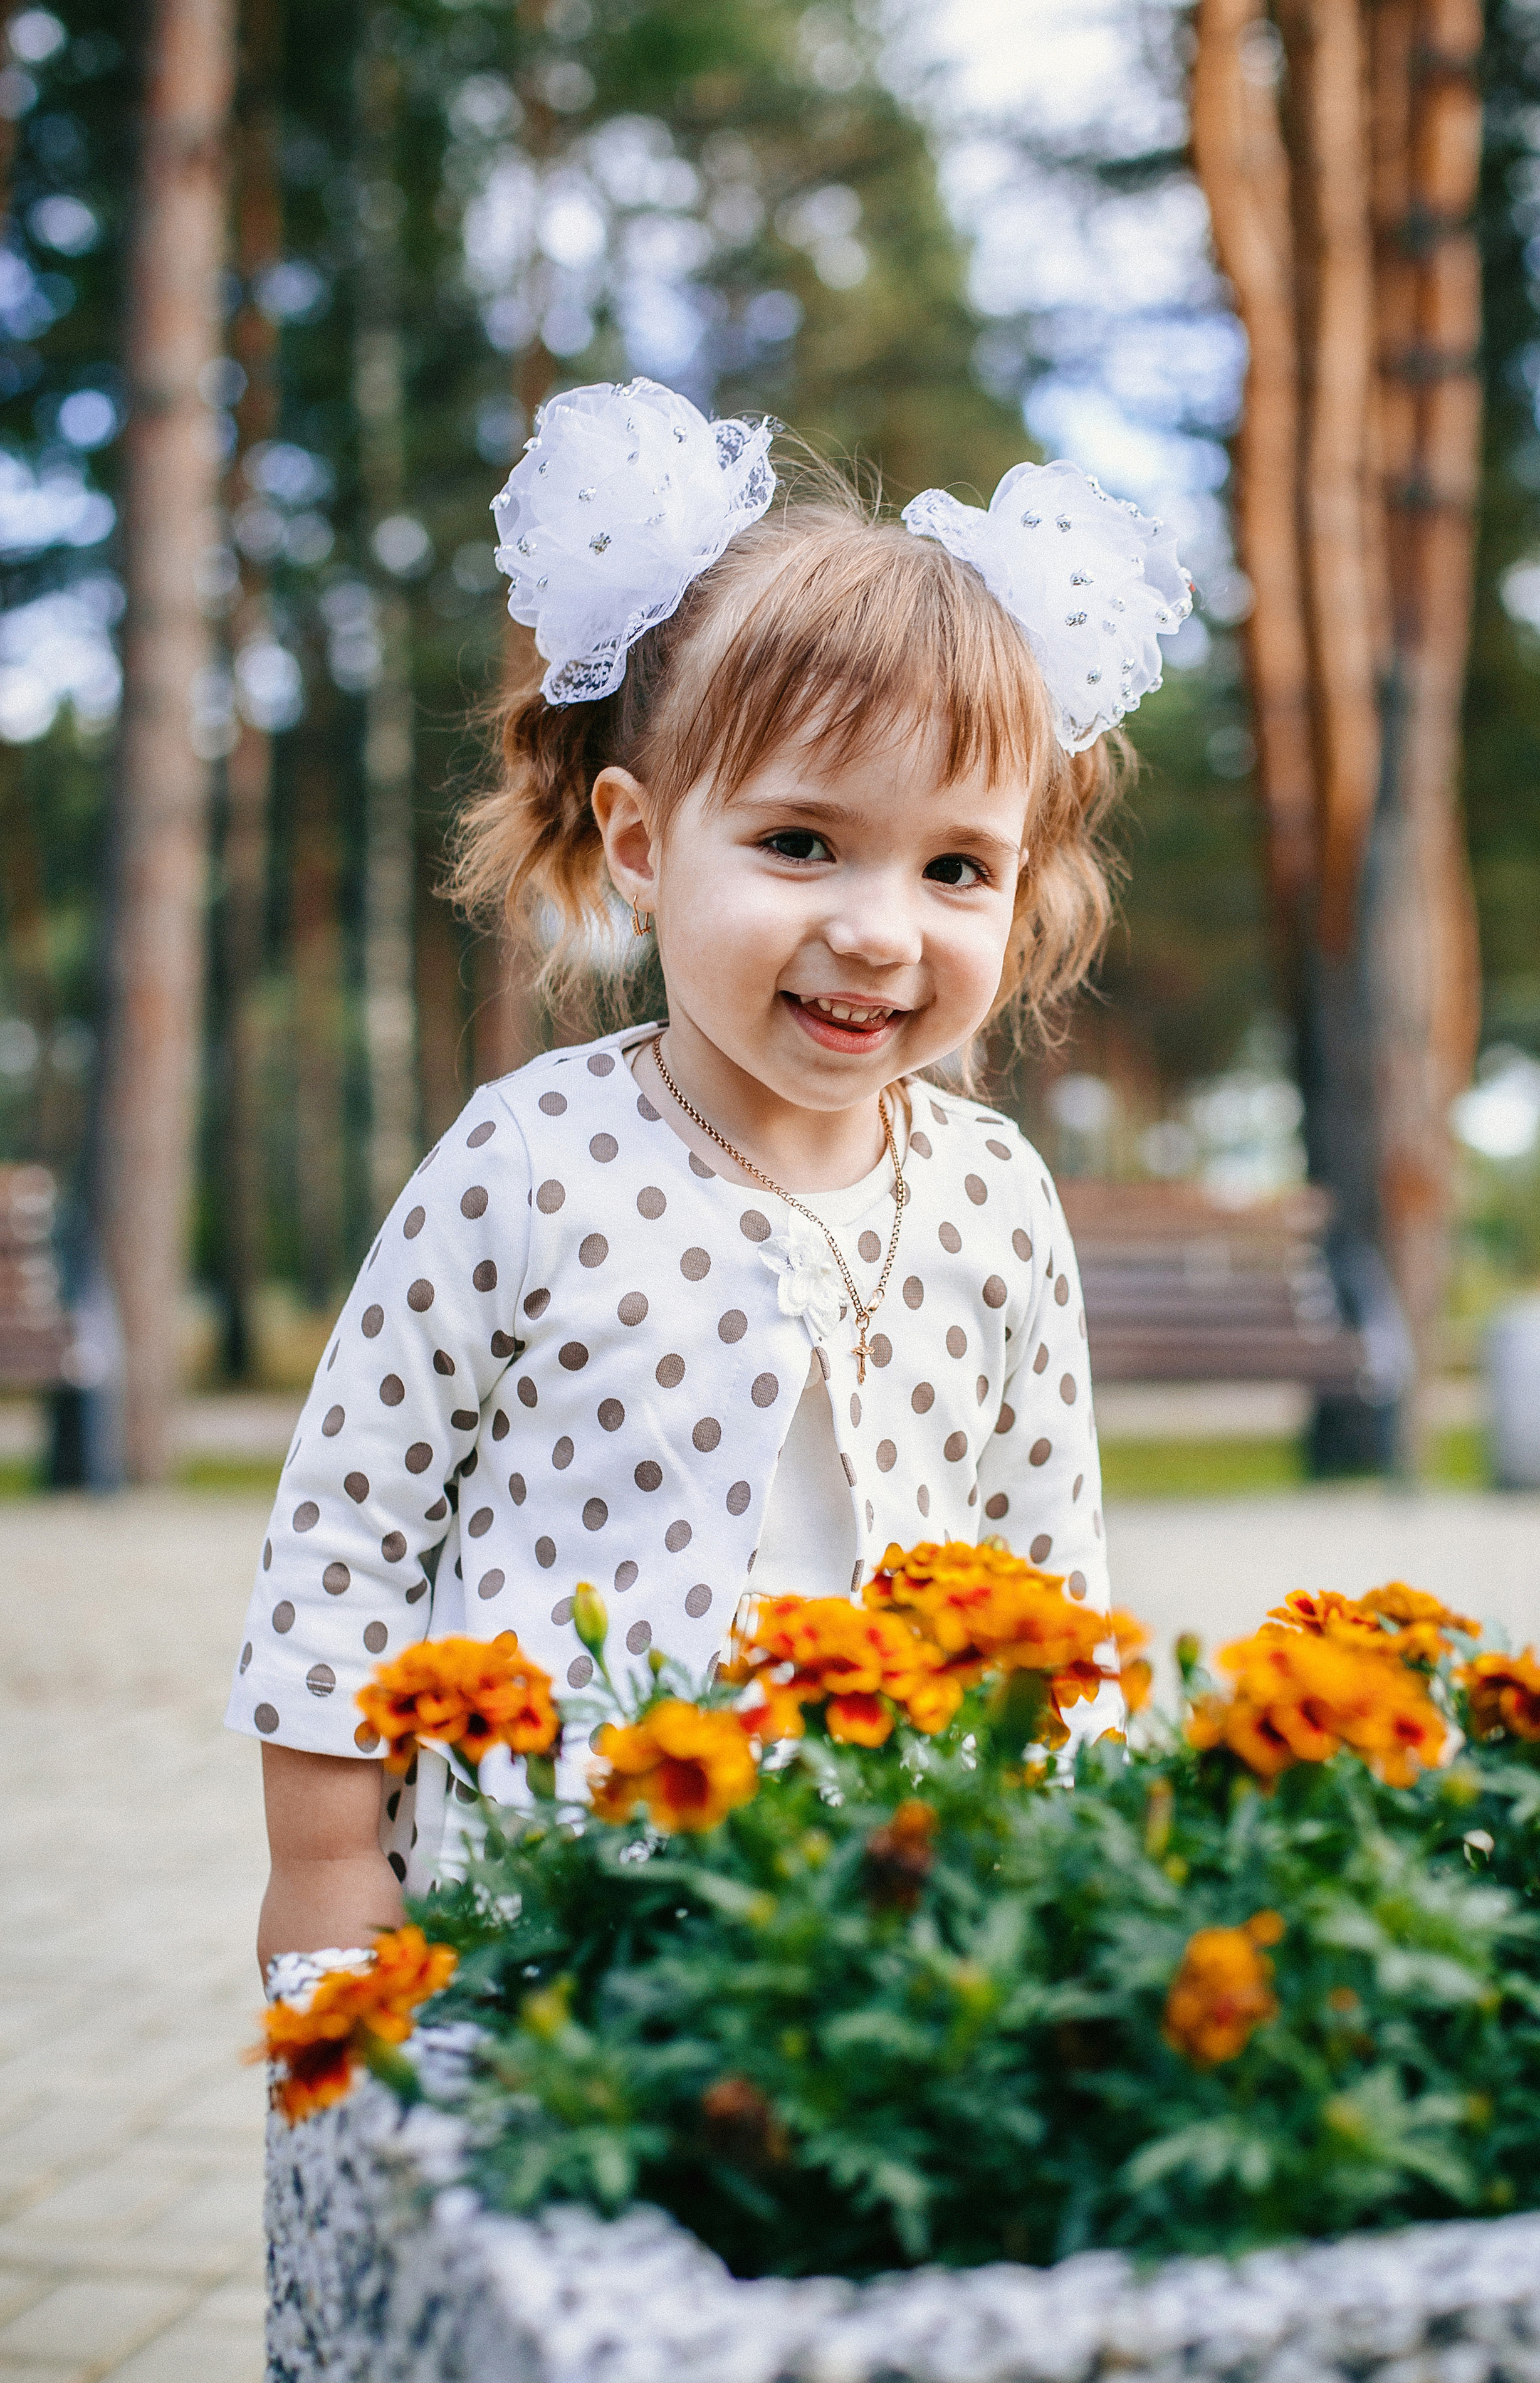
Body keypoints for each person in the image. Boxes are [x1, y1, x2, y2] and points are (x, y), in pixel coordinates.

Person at [229, 378, 1194, 1972]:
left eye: (954, 866)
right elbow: (349, 1534)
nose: (879, 928)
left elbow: (1046, 1572)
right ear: (637, 840)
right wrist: (330, 1870)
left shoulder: (996, 1197)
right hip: (549, 1916)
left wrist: (1065, 1886)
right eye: (801, 843)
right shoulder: (530, 1165)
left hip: (888, 1926)